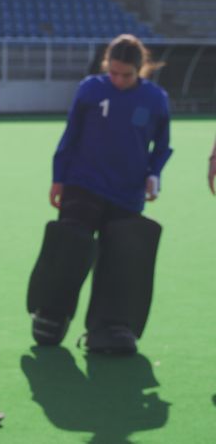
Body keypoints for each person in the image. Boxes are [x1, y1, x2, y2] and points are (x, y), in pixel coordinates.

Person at [28, 34, 172, 355]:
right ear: (107, 65)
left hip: (127, 191)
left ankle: (109, 326)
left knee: (120, 260)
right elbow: (71, 135)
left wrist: (153, 175)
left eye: (127, 75)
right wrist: (58, 178)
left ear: (141, 70)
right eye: (114, 73)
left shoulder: (156, 99)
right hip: (83, 182)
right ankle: (51, 313)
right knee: (70, 246)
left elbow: (162, 147)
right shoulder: (91, 90)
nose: (119, 81)